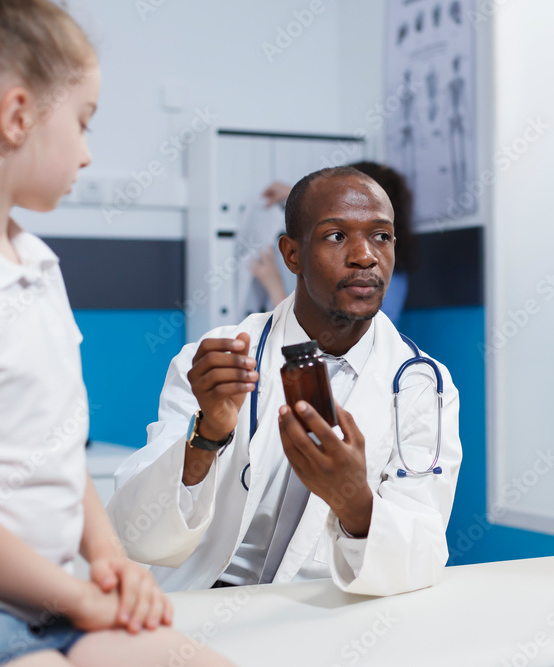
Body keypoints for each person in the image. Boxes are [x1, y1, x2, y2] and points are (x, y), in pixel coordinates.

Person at [0, 1, 233, 665]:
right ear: (15, 117)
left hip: (56, 601)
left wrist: (111, 562)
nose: (88, 155)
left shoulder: (37, 266)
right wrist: (75, 593)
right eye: (84, 122)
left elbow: (59, 449)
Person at [106, 166, 460, 595]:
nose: (365, 255)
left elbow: (420, 555)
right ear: (292, 255)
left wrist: (353, 502)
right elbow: (136, 534)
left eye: (381, 237)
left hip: (323, 611)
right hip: (200, 601)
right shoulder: (218, 358)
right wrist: (207, 436)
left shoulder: (422, 386)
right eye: (336, 236)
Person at [256, 161, 417, 326]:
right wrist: (294, 195)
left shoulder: (370, 279)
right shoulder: (393, 267)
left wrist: (274, 286)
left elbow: (315, 341)